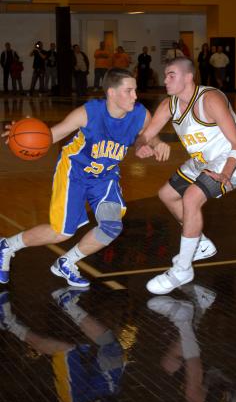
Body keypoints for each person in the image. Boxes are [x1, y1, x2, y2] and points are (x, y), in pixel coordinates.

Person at [0, 68, 170, 287]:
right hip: (75, 172)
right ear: (111, 93)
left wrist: (155, 144)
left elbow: (148, 135)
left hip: (105, 177)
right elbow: (52, 136)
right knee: (61, 232)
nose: (135, 96)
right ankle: (7, 246)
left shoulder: (140, 114)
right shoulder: (88, 113)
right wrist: (24, 133)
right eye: (129, 91)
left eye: (135, 90)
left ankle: (66, 262)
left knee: (111, 226)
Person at [135, 57, 236, 295]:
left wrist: (226, 173)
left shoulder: (210, 100)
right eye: (165, 75)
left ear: (188, 77)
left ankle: (182, 269)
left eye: (171, 75)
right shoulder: (169, 104)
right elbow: (145, 134)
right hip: (204, 160)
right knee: (167, 194)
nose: (165, 80)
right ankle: (199, 242)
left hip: (235, 157)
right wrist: (142, 144)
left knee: (191, 198)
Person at [0, 287, 125, 402]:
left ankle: (8, 323)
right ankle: (67, 302)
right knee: (110, 345)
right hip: (108, 391)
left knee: (65, 350)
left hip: (81, 399)